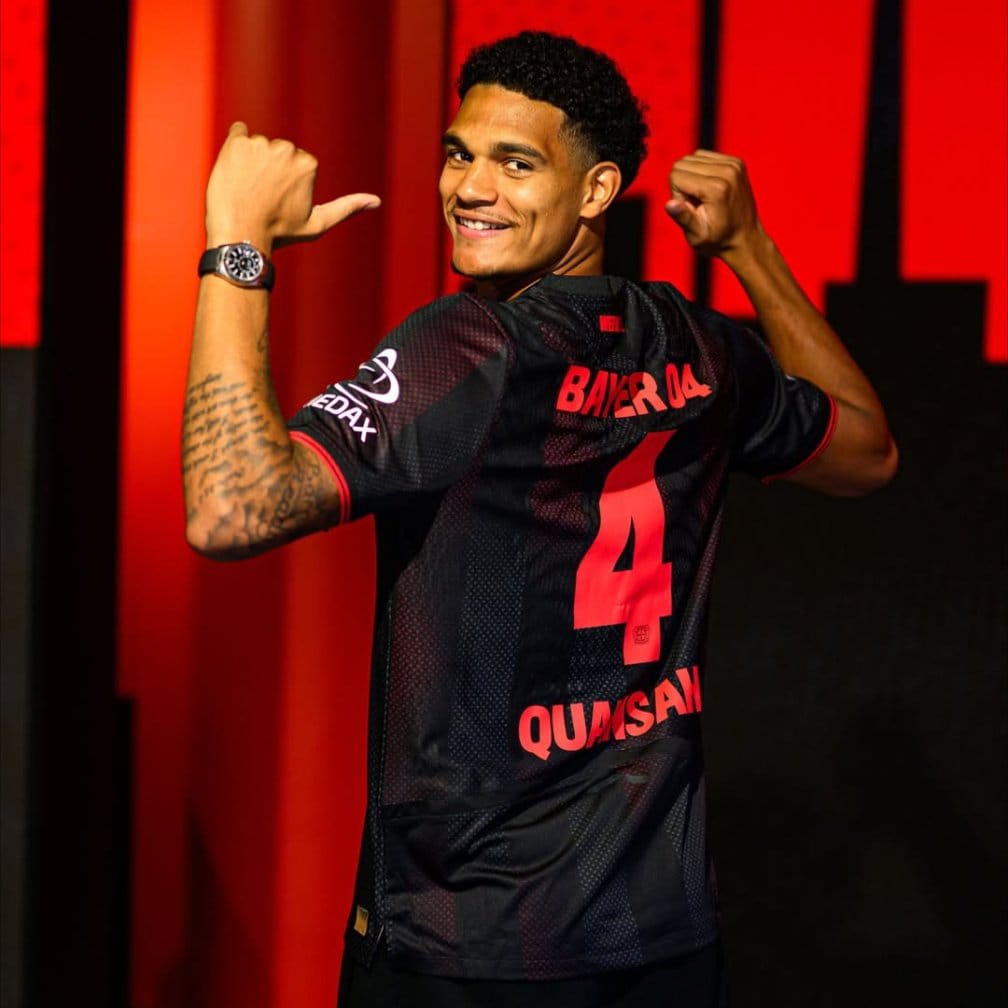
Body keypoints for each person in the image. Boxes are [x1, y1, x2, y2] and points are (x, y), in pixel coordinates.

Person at [183, 30, 896, 1008]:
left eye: (516, 164)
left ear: (596, 191)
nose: (471, 188)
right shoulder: (698, 348)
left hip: (469, 945)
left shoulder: (467, 349)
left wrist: (236, 244)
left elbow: (228, 508)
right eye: (458, 153)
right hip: (661, 939)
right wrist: (747, 249)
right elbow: (867, 452)